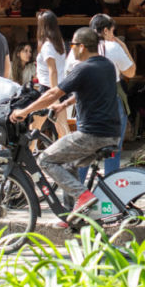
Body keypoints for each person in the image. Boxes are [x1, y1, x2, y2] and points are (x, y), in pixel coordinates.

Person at [9, 26, 122, 225]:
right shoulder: (106, 65)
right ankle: (73, 216)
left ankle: (82, 195)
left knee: (45, 160)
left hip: (91, 135)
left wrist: (23, 112)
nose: (71, 49)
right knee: (67, 164)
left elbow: (53, 93)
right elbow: (87, 92)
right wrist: (63, 105)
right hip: (110, 132)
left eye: (73, 45)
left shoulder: (83, 68)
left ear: (81, 47)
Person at [90, 13, 135, 172]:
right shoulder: (113, 47)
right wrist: (123, 47)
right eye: (113, 31)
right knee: (113, 147)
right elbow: (130, 72)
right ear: (106, 31)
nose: (113, 35)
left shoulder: (82, 48)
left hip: (88, 101)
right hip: (111, 98)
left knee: (86, 148)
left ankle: (80, 191)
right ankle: (110, 187)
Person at [35, 10, 67, 89]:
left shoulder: (47, 45)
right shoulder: (60, 42)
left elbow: (53, 71)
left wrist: (54, 95)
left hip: (48, 86)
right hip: (60, 84)